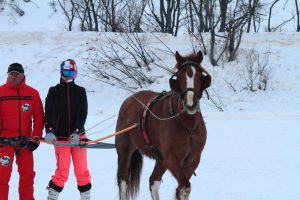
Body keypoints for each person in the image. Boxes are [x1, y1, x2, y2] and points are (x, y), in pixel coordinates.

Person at [44, 59, 91, 200]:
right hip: (60, 138)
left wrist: (77, 132)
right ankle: (52, 196)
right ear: (60, 72)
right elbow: (49, 112)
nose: (68, 75)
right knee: (62, 170)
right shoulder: (54, 91)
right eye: (66, 72)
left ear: (75, 74)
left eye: (71, 72)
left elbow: (83, 113)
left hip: (78, 138)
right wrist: (50, 130)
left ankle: (86, 197)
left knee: (81, 170)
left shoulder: (80, 91)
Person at [0, 63, 44, 200]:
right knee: (2, 176)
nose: (13, 76)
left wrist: (36, 137)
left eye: (16, 74)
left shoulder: (32, 93)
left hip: (25, 142)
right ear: (7, 75)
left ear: (23, 75)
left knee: (27, 176)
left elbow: (39, 118)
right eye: (11, 73)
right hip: (4, 142)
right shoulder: (1, 92)